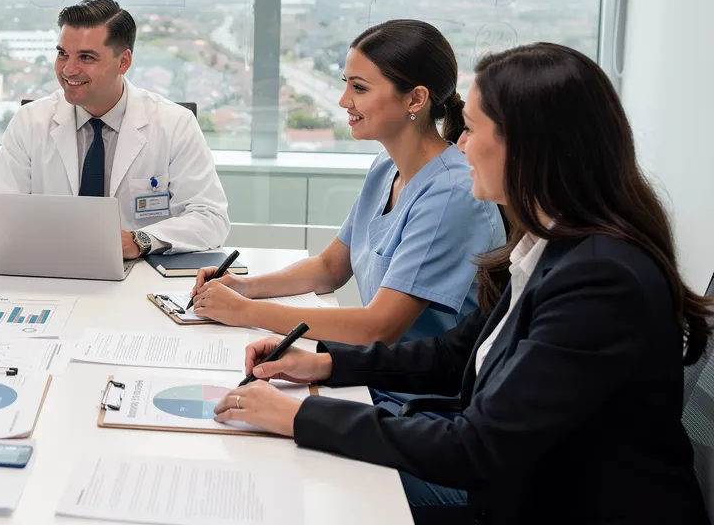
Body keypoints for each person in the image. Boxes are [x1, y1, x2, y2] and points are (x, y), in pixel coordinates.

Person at [211, 43, 710, 524]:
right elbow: (454, 354)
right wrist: (321, 363)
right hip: (513, 477)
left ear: (530, 145)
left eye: (471, 129)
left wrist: (298, 418)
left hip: (547, 503)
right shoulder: (549, 246)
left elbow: (477, 449)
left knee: (300, 486)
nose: (461, 144)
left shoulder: (601, 280)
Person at [191, 20, 504, 345]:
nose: (343, 100)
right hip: (372, 371)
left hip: (412, 391)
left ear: (415, 99)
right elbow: (329, 268)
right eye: (346, 85)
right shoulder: (386, 167)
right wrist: (245, 287)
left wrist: (245, 312)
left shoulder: (451, 194)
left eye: (359, 88)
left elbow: (379, 327)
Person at [0, 0, 229, 258]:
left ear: (124, 62)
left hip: (139, 277)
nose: (69, 70)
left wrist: (140, 240)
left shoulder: (174, 124)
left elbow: (210, 219)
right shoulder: (30, 121)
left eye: (86, 57)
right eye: (63, 54)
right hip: (49, 272)